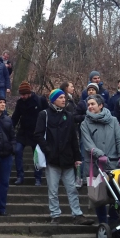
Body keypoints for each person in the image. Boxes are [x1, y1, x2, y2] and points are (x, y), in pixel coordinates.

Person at [36, 89, 95, 225]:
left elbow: (74, 138)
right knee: (53, 190)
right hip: (53, 159)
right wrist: (48, 150)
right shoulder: (44, 114)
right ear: (53, 99)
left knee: (72, 189)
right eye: (61, 97)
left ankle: (77, 214)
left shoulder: (68, 115)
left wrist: (77, 157)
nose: (64, 100)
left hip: (68, 159)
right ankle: (55, 215)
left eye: (64, 97)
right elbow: (38, 134)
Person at [80, 94, 120, 225]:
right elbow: (88, 143)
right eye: (88, 104)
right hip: (96, 164)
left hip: (114, 164)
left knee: (117, 194)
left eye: (92, 104)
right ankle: (102, 222)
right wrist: (98, 154)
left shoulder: (113, 121)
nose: (90, 106)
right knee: (99, 197)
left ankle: (114, 217)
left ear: (100, 105)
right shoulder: (85, 123)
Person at [11, 81, 48, 186]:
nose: (22, 96)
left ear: (29, 93)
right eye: (21, 94)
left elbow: (47, 115)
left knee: (36, 155)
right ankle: (20, 176)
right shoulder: (20, 103)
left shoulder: (40, 100)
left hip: (36, 133)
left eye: (24, 94)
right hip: (23, 132)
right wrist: (10, 129)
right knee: (17, 151)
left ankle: (38, 177)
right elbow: (15, 117)